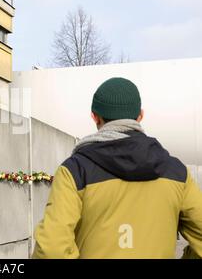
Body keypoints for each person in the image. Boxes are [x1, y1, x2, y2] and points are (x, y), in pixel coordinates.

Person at [32, 77, 202, 259]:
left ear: (94, 116)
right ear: (140, 116)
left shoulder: (75, 170)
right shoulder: (178, 172)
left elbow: (51, 249)